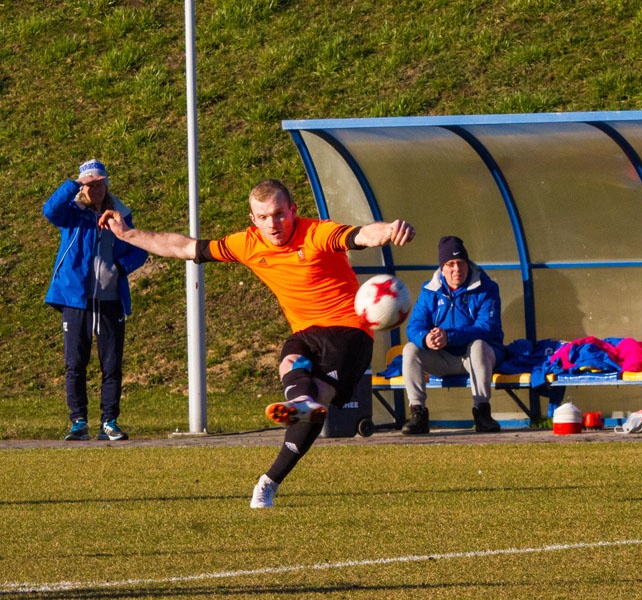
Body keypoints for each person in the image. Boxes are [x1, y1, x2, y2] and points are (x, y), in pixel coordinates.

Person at [100, 178, 414, 507]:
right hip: (306, 332)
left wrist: (389, 230)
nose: (272, 223)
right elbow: (184, 247)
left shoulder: (316, 233)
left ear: (293, 210)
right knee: (289, 363)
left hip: (348, 331)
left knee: (317, 396)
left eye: (279, 214)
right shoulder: (248, 244)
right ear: (253, 219)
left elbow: (359, 235)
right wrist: (127, 234)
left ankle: (277, 465)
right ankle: (289, 436)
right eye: (263, 217)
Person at [43, 159, 148, 442]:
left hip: (110, 299)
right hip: (75, 300)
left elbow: (140, 248)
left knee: (111, 365)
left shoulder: (120, 215)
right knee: (75, 363)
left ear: (106, 185)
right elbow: (49, 211)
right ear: (83, 187)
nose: (95, 189)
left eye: (99, 184)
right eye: (90, 185)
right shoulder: (72, 214)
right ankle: (78, 422)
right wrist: (75, 185)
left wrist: (121, 267)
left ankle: (109, 422)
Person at [401, 236, 505, 435]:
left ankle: (482, 412)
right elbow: (414, 327)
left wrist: (449, 336)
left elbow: (487, 328)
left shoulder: (487, 288)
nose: (456, 269)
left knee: (478, 345)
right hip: (443, 357)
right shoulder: (429, 290)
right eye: (450, 264)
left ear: (467, 264)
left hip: (478, 356)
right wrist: (426, 339)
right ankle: (418, 414)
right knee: (411, 349)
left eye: (460, 263)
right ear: (442, 267)